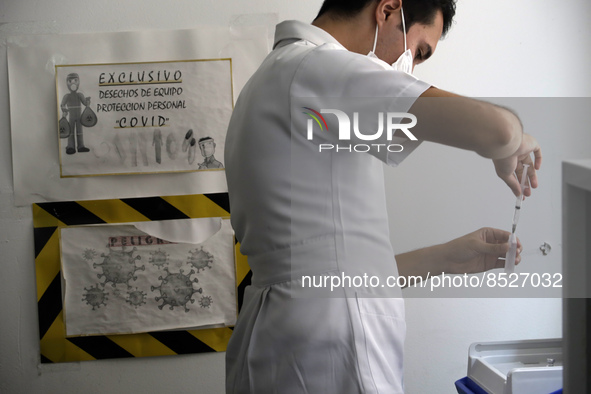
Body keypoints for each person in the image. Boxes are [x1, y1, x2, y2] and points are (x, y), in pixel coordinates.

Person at [224, 0, 542, 393]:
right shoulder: (319, 69)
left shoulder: (272, 80)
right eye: (419, 51)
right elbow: (497, 130)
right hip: (327, 348)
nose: (410, 65)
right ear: (388, 10)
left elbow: (326, 269)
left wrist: (446, 258)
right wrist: (517, 138)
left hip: (284, 335)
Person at [60, 73, 91, 155]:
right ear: (67, 83)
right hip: (71, 117)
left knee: (79, 131)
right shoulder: (67, 96)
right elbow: (62, 104)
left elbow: (85, 103)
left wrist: (87, 101)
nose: (73, 83)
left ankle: (81, 146)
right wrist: (64, 110)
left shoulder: (80, 95)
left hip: (79, 117)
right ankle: (70, 147)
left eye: (75, 81)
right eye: (70, 81)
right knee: (70, 132)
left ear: (78, 82)